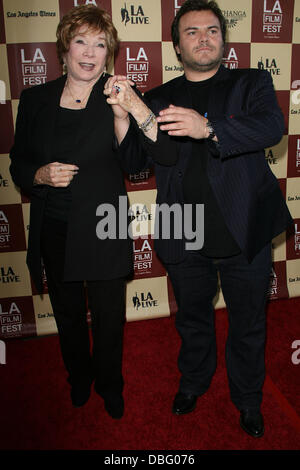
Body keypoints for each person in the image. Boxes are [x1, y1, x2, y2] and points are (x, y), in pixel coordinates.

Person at [104, 0, 293, 437]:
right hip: (182, 233)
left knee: (248, 323)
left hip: (245, 229)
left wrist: (207, 127)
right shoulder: (155, 97)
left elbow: (270, 128)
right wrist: (121, 117)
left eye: (212, 30)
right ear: (176, 44)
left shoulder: (252, 82)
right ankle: (193, 381)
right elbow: (133, 161)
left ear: (223, 39)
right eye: (192, 32)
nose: (204, 38)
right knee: (192, 318)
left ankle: (247, 399)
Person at [9, 5, 133, 419]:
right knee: (68, 316)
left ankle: (110, 386)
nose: (90, 52)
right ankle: (79, 378)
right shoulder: (35, 99)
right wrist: (40, 174)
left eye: (100, 44)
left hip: (104, 227)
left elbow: (136, 162)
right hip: (56, 228)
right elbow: (19, 166)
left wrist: (125, 114)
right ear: (64, 48)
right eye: (81, 40)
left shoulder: (119, 97)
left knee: (109, 318)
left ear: (109, 53)